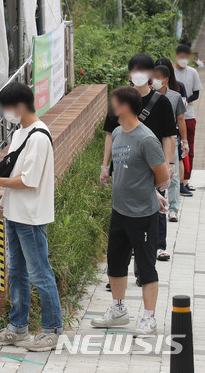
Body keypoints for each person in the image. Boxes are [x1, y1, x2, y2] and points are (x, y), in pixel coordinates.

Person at [0, 82, 62, 352]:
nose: (5, 113)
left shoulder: (37, 136)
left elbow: (29, 180)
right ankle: (17, 328)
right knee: (18, 271)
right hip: (14, 212)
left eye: (7, 108)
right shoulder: (21, 132)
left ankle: (52, 330)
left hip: (31, 217)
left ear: (20, 107)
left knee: (39, 273)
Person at [91, 87, 170, 336]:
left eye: (114, 102)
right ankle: (118, 310)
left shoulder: (146, 139)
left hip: (143, 216)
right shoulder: (117, 132)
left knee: (146, 267)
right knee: (115, 263)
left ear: (125, 106)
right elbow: (128, 170)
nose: (111, 106)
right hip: (120, 211)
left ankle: (149, 317)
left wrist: (151, 193)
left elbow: (163, 175)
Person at [101, 54, 175, 267]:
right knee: (122, 217)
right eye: (135, 69)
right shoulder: (120, 99)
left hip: (153, 167)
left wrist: (168, 165)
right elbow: (110, 134)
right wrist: (105, 166)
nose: (139, 74)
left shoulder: (162, 103)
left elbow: (168, 136)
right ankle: (118, 270)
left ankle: (150, 260)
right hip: (124, 167)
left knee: (153, 211)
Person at [152, 65, 188, 229]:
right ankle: (156, 205)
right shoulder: (148, 95)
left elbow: (180, 119)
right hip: (152, 141)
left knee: (172, 175)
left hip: (170, 140)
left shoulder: (175, 97)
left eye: (157, 77)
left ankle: (173, 209)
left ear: (166, 80)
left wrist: (185, 141)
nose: (154, 80)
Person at [174, 44, 201, 192]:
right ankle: (174, 180)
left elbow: (197, 93)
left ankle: (185, 180)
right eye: (181, 56)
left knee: (187, 148)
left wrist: (187, 100)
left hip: (188, 115)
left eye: (186, 57)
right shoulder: (170, 72)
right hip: (172, 116)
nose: (183, 59)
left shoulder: (192, 72)